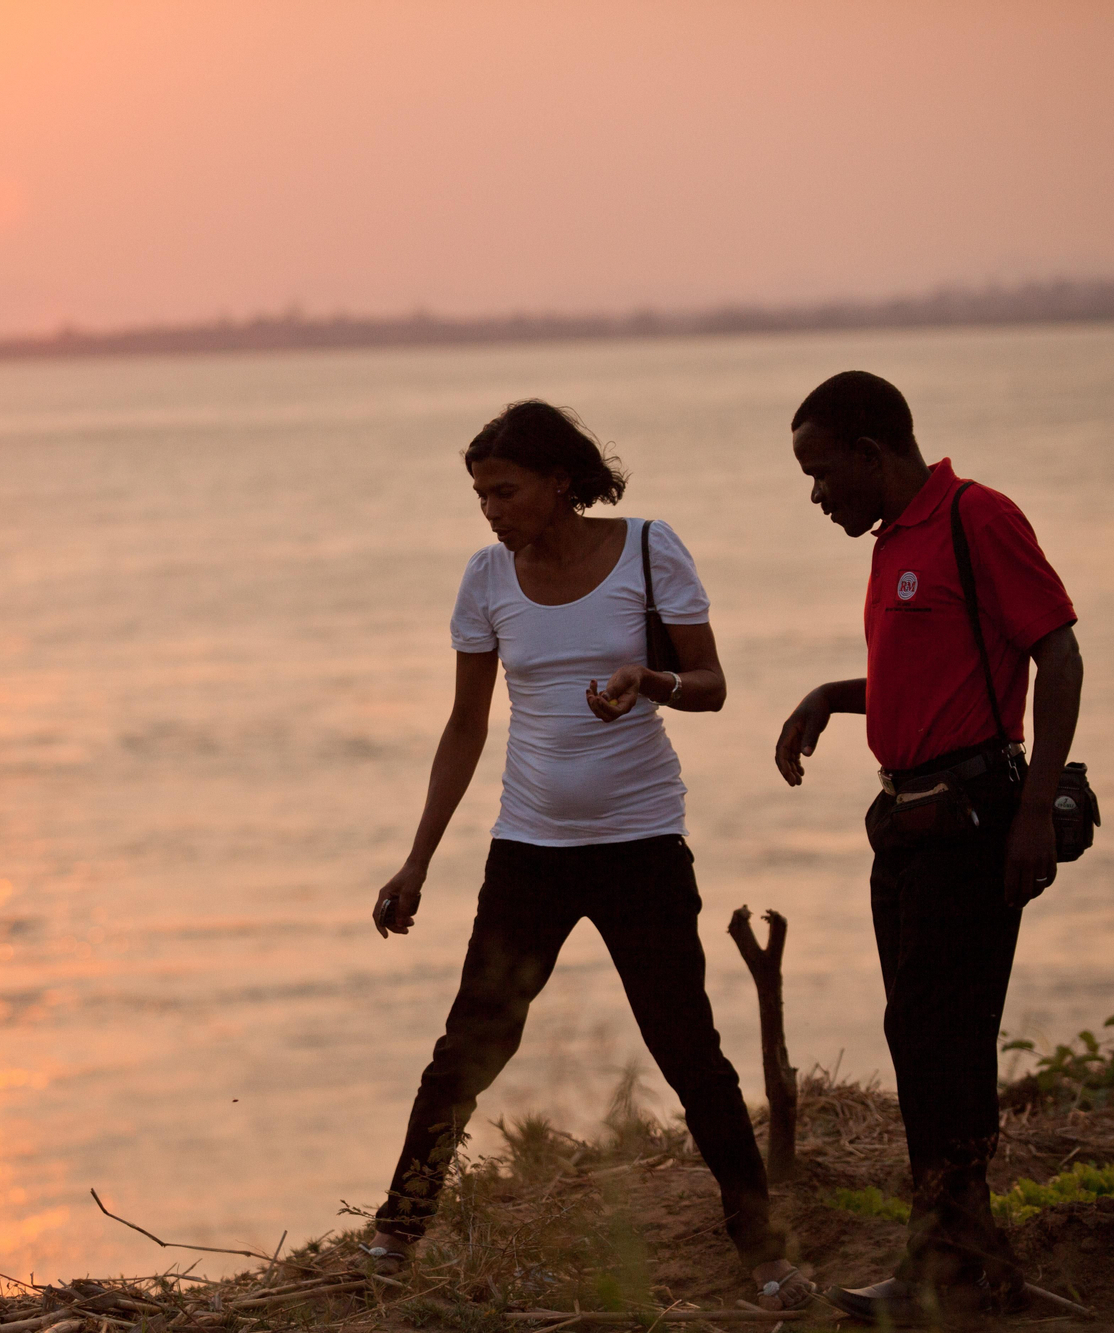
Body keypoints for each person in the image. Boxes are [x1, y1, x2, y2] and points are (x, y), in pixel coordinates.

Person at [365, 399, 809, 1310]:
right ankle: (395, 1233)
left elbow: (714, 685)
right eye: (480, 494)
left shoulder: (649, 550)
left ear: (560, 482)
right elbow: (465, 726)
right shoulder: (486, 578)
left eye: (504, 490)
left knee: (687, 1047)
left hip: (642, 846)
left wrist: (650, 680)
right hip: (529, 850)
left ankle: (763, 1251)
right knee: (469, 1048)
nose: (489, 509)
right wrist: (417, 862)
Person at [774, 371, 1082, 1323]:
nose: (817, 495)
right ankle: (964, 1254)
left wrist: (1034, 813)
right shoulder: (892, 543)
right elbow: (926, 676)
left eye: (824, 474)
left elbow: (1057, 654)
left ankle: (945, 1267)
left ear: (873, 455)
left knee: (937, 1035)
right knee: (923, 1035)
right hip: (903, 827)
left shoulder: (975, 516)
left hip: (975, 822)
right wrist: (835, 692)